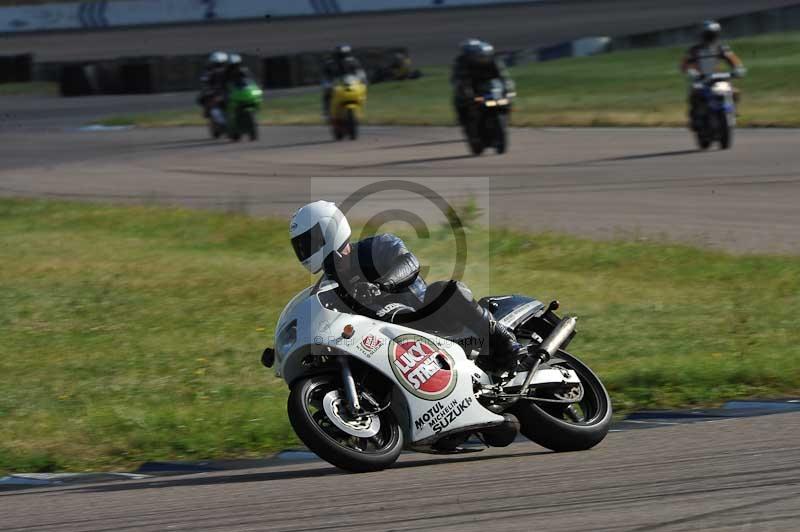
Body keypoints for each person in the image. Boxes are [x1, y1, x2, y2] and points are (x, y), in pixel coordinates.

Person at [289, 200, 523, 372]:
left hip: (427, 320)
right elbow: (315, 316)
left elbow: (410, 263)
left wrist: (381, 285)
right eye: (300, 247)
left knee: (443, 290)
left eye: (308, 243)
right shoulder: (327, 287)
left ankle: (505, 342)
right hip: (388, 346)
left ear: (330, 230)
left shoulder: (376, 247)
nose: (304, 251)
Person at [680, 20, 746, 129]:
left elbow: (732, 59)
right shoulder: (694, 50)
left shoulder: (721, 48)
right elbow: (684, 64)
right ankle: (695, 118)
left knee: (734, 92)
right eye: (708, 35)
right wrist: (690, 71)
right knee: (695, 93)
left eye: (713, 35)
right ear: (702, 35)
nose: (711, 37)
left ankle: (731, 111)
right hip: (700, 79)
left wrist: (738, 68)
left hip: (717, 78)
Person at [451, 39, 515, 127]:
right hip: (473, 89)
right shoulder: (461, 63)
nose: (482, 57)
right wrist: (468, 95)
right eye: (479, 55)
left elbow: (504, 77)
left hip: (489, 89)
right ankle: (465, 121)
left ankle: (504, 116)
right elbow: (458, 82)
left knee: (505, 99)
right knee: (460, 100)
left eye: (483, 54)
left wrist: (508, 90)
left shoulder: (494, 61)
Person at [321, 44, 367, 119]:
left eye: (346, 54)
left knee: (363, 89)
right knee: (327, 92)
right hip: (335, 83)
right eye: (341, 55)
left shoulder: (354, 61)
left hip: (350, 83)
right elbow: (325, 75)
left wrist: (363, 79)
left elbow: (360, 72)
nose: (344, 57)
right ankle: (326, 111)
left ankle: (360, 107)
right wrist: (327, 83)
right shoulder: (330, 63)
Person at [199, 51, 229, 127]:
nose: (220, 66)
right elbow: (204, 80)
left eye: (222, 64)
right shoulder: (209, 72)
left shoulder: (230, 71)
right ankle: (219, 122)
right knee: (207, 100)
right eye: (218, 64)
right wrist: (209, 90)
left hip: (228, 91)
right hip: (216, 92)